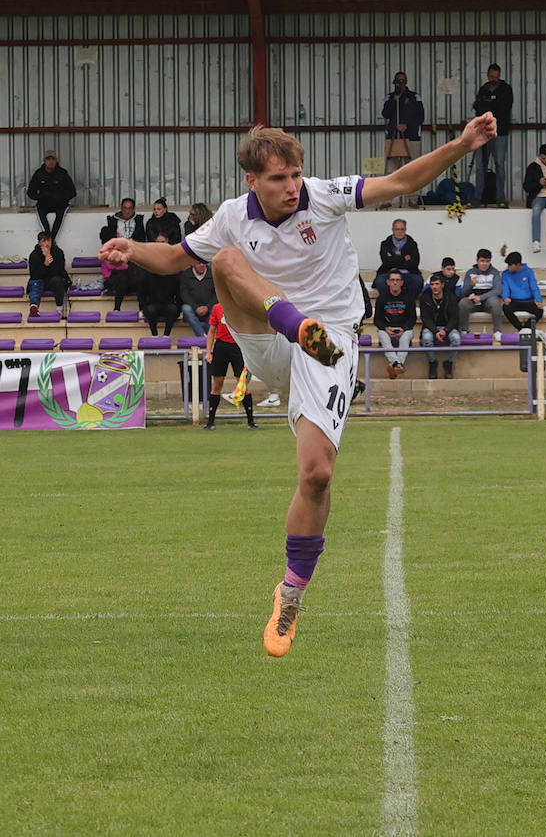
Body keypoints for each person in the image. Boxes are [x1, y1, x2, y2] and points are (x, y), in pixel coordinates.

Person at [99, 114, 497, 657]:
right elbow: (172, 258)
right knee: (229, 259)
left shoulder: (325, 195)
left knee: (316, 475)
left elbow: (401, 182)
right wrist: (132, 249)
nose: (292, 187)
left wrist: (463, 143)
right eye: (278, 179)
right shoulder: (232, 218)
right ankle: (293, 322)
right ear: (251, 181)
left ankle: (290, 594)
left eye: (295, 176)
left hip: (328, 343)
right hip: (269, 333)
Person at [203, 302, 258, 432]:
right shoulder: (217, 308)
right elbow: (211, 331)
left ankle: (251, 421)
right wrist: (209, 351)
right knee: (217, 384)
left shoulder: (240, 306)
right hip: (221, 346)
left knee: (242, 383)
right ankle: (210, 422)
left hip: (238, 346)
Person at [472, 64, 513, 203]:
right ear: (487, 75)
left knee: (499, 164)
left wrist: (489, 104)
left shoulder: (506, 89)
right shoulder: (483, 89)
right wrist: (491, 103)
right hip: (483, 132)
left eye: (496, 77)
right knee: (480, 165)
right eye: (491, 77)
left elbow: (504, 107)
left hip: (500, 132)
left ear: (499, 75)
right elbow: (478, 107)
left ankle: (500, 196)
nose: (493, 79)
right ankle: (479, 196)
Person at [382, 71, 424, 186]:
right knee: (391, 168)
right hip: (394, 136)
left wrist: (407, 125)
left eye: (402, 82)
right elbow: (385, 114)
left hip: (411, 136)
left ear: (406, 82)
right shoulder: (390, 97)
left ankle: (413, 198)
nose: (399, 84)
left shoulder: (414, 96)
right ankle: (387, 200)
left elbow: (420, 116)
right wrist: (394, 99)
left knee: (413, 168)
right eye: (397, 82)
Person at [374, 270, 417, 378]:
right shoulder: (382, 298)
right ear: (388, 282)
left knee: (406, 337)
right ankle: (398, 365)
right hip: (388, 329)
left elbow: (412, 318)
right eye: (392, 280)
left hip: (405, 329)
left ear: (401, 282)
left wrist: (404, 329)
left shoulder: (409, 298)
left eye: (397, 280)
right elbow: (377, 320)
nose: (395, 283)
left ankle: (394, 366)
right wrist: (386, 328)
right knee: (381, 334)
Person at [27, 149, 78, 240]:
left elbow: (72, 192)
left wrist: (60, 197)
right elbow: (30, 192)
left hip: (60, 204)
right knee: (41, 216)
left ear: (56, 160)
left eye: (53, 159)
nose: (50, 162)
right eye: (48, 159)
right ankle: (48, 238)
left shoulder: (62, 173)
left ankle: (52, 241)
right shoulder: (39, 174)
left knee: (60, 217)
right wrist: (41, 197)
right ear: (44, 160)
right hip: (43, 204)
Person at [418, 273, 460, 379]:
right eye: (432, 284)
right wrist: (435, 331)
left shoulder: (451, 297)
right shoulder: (425, 298)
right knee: (426, 338)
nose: (434, 287)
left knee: (456, 339)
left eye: (437, 284)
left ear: (442, 285)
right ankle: (432, 363)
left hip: (448, 327)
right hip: (431, 327)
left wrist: (446, 330)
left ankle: (449, 363)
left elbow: (454, 318)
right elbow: (425, 319)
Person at [138, 234, 181, 336]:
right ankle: (155, 336)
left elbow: (179, 289)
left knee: (173, 310)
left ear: (167, 241)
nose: (160, 245)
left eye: (162, 242)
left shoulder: (174, 260)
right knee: (150, 310)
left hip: (169, 302)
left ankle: (166, 336)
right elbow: (141, 291)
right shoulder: (149, 262)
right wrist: (143, 307)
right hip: (153, 303)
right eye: (158, 242)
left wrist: (178, 305)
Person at [458, 248, 504, 334]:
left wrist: (481, 297)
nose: (485, 264)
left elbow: (498, 290)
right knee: (463, 302)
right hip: (473, 300)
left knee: (496, 301)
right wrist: (471, 285)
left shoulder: (495, 273)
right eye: (482, 261)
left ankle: (497, 332)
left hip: (488, 300)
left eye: (487, 261)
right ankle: (464, 331)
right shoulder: (470, 272)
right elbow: (463, 293)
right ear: (477, 261)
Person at [26, 231, 69, 318]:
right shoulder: (34, 255)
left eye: (48, 240)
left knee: (56, 280)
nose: (47, 243)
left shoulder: (58, 253)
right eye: (44, 241)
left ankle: (59, 309)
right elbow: (34, 275)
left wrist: (50, 261)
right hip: (40, 280)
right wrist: (45, 265)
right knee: (35, 283)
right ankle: (34, 306)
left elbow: (60, 271)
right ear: (39, 243)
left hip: (54, 280)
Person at [374, 219, 422, 296]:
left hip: (407, 273)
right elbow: (386, 262)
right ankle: (388, 301)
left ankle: (408, 302)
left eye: (402, 229)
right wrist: (403, 258)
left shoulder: (412, 244)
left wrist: (393, 259)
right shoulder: (385, 244)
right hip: (388, 273)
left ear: (405, 230)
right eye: (397, 229)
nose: (400, 231)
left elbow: (414, 263)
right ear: (393, 230)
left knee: (418, 281)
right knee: (380, 281)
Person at [501, 251, 544, 331]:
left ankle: (525, 329)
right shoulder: (505, 274)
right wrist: (506, 298)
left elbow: (534, 287)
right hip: (514, 301)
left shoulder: (528, 272)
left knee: (539, 311)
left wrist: (539, 300)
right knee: (505, 308)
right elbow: (505, 287)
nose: (508, 267)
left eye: (510, 265)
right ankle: (521, 329)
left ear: (517, 264)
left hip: (528, 301)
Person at [179, 258, 216, 336]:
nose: (202, 265)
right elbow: (184, 294)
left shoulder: (213, 274)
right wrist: (195, 307)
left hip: (209, 306)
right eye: (199, 263)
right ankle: (203, 335)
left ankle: (205, 334)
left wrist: (207, 307)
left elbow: (217, 294)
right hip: (193, 307)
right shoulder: (186, 274)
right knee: (185, 308)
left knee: (216, 308)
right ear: (193, 264)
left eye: (204, 263)